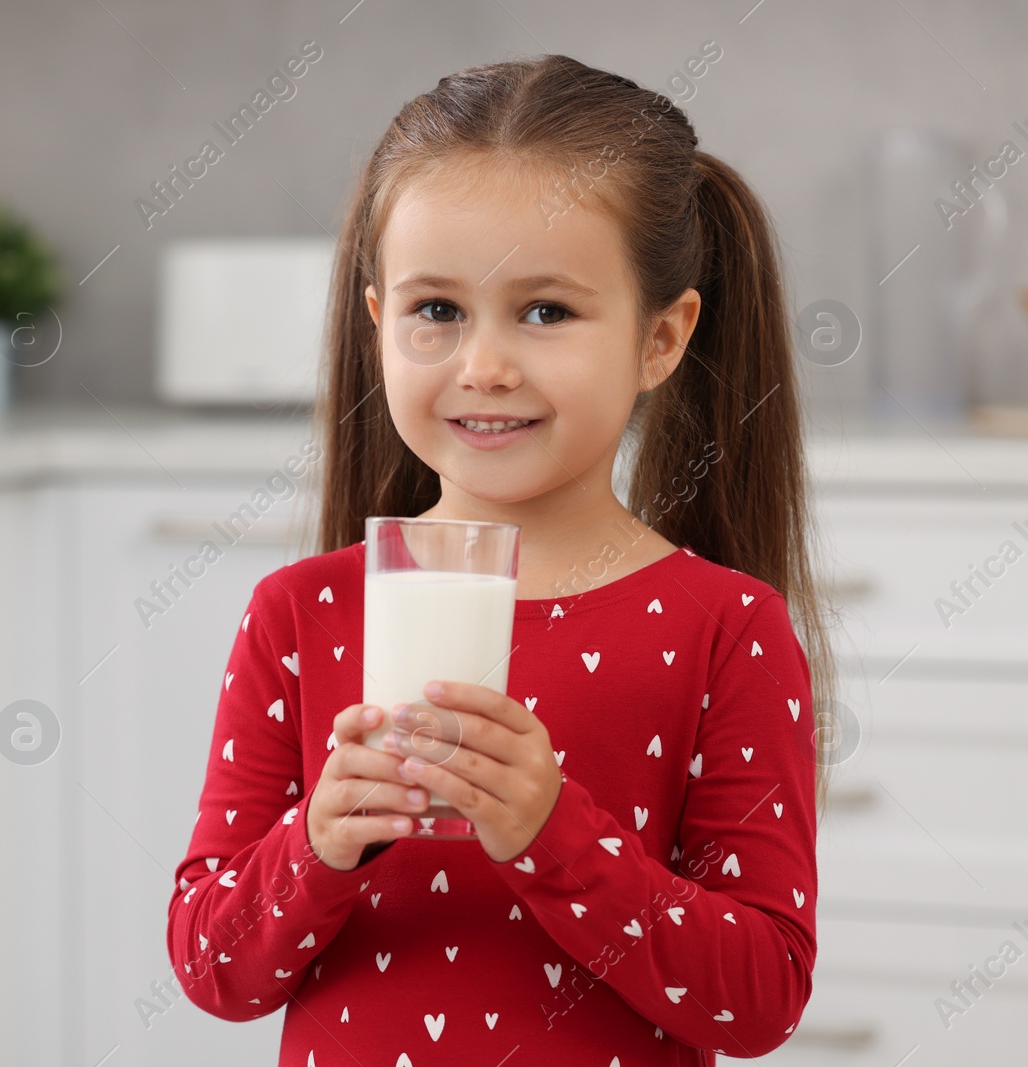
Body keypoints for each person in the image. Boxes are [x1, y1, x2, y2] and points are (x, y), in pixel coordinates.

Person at [165, 53, 840, 1065]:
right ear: (377, 324)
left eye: (546, 310)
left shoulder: (722, 627)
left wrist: (554, 832)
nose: (484, 364)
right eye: (436, 309)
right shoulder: (297, 613)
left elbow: (758, 998)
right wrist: (317, 844)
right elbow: (214, 968)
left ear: (661, 338)